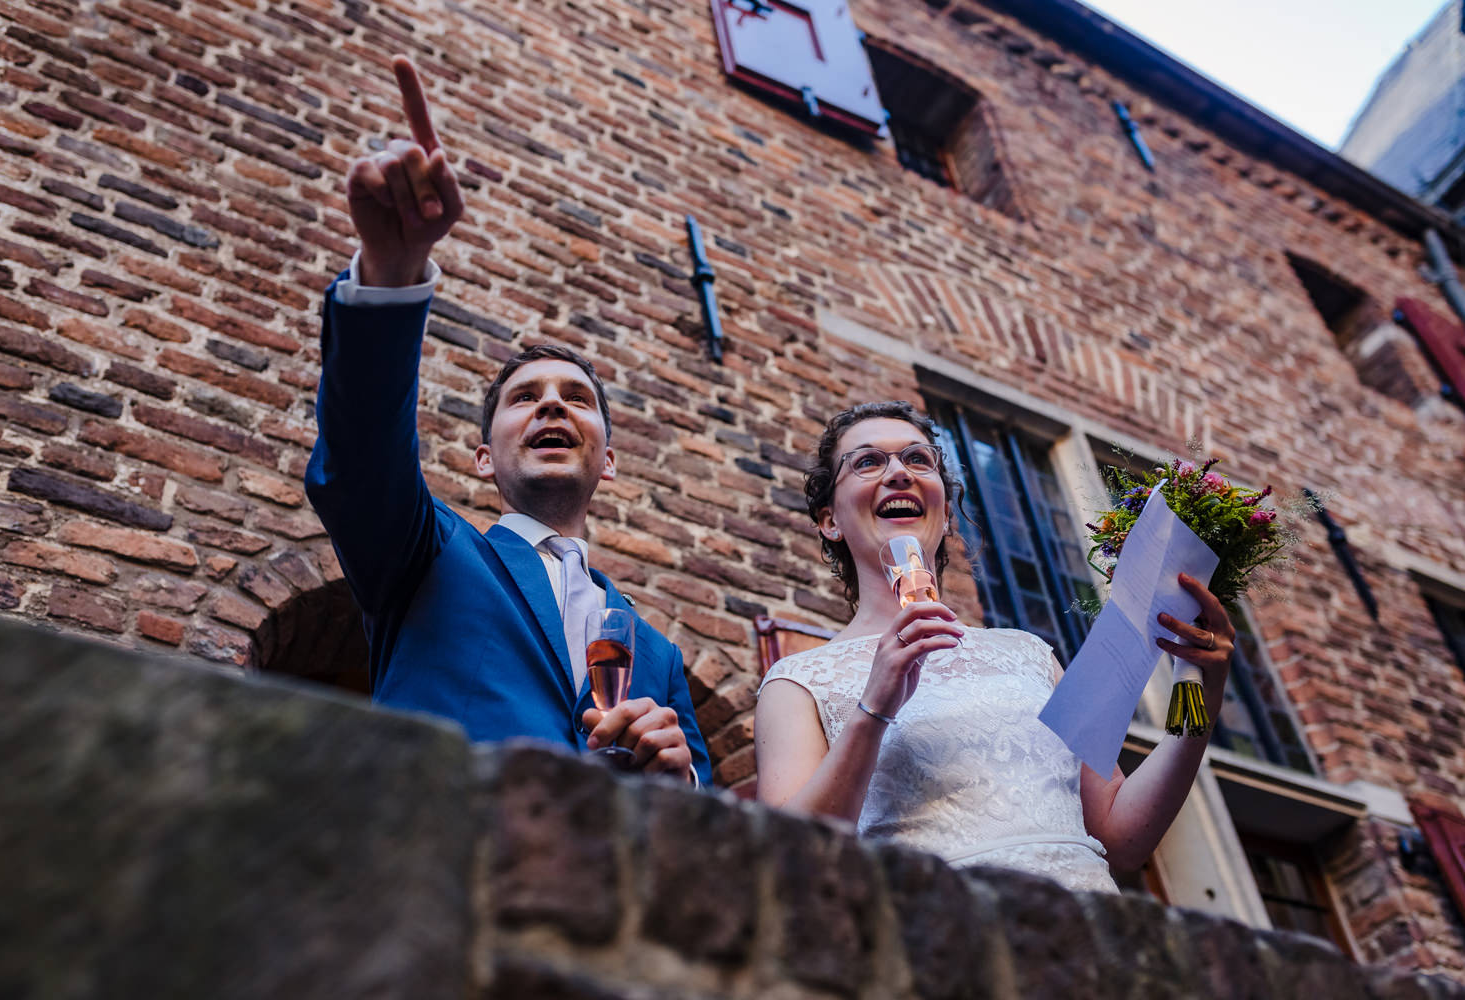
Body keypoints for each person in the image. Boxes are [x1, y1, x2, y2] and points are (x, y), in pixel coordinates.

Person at [305, 56, 710, 784]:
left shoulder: (660, 656)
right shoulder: (423, 554)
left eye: (576, 397)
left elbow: (709, 811)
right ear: (484, 459)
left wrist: (680, 779)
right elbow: (359, 459)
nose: (552, 403)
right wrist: (393, 272)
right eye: (525, 398)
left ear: (608, 460)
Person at [753, 401, 1234, 890]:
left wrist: (1198, 692)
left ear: (944, 512)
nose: (898, 472)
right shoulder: (799, 682)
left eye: (918, 460)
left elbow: (1123, 836)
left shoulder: (1031, 654)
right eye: (868, 462)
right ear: (829, 520)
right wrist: (873, 709)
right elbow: (793, 859)